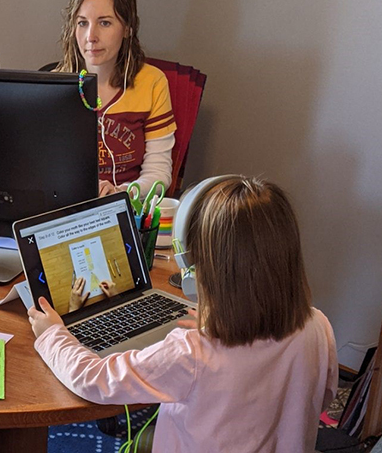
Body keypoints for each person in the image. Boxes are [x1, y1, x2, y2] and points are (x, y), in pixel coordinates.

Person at [27, 176, 338, 452]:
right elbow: (320, 398)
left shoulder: (191, 353)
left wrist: (53, 333)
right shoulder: (318, 327)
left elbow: (93, 379)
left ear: (200, 270)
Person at [55, 0, 176, 197]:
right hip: (71, 210)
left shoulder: (152, 83)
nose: (91, 36)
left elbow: (159, 173)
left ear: (128, 28)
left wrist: (121, 193)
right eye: (82, 23)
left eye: (105, 23)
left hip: (128, 206)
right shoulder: (55, 86)